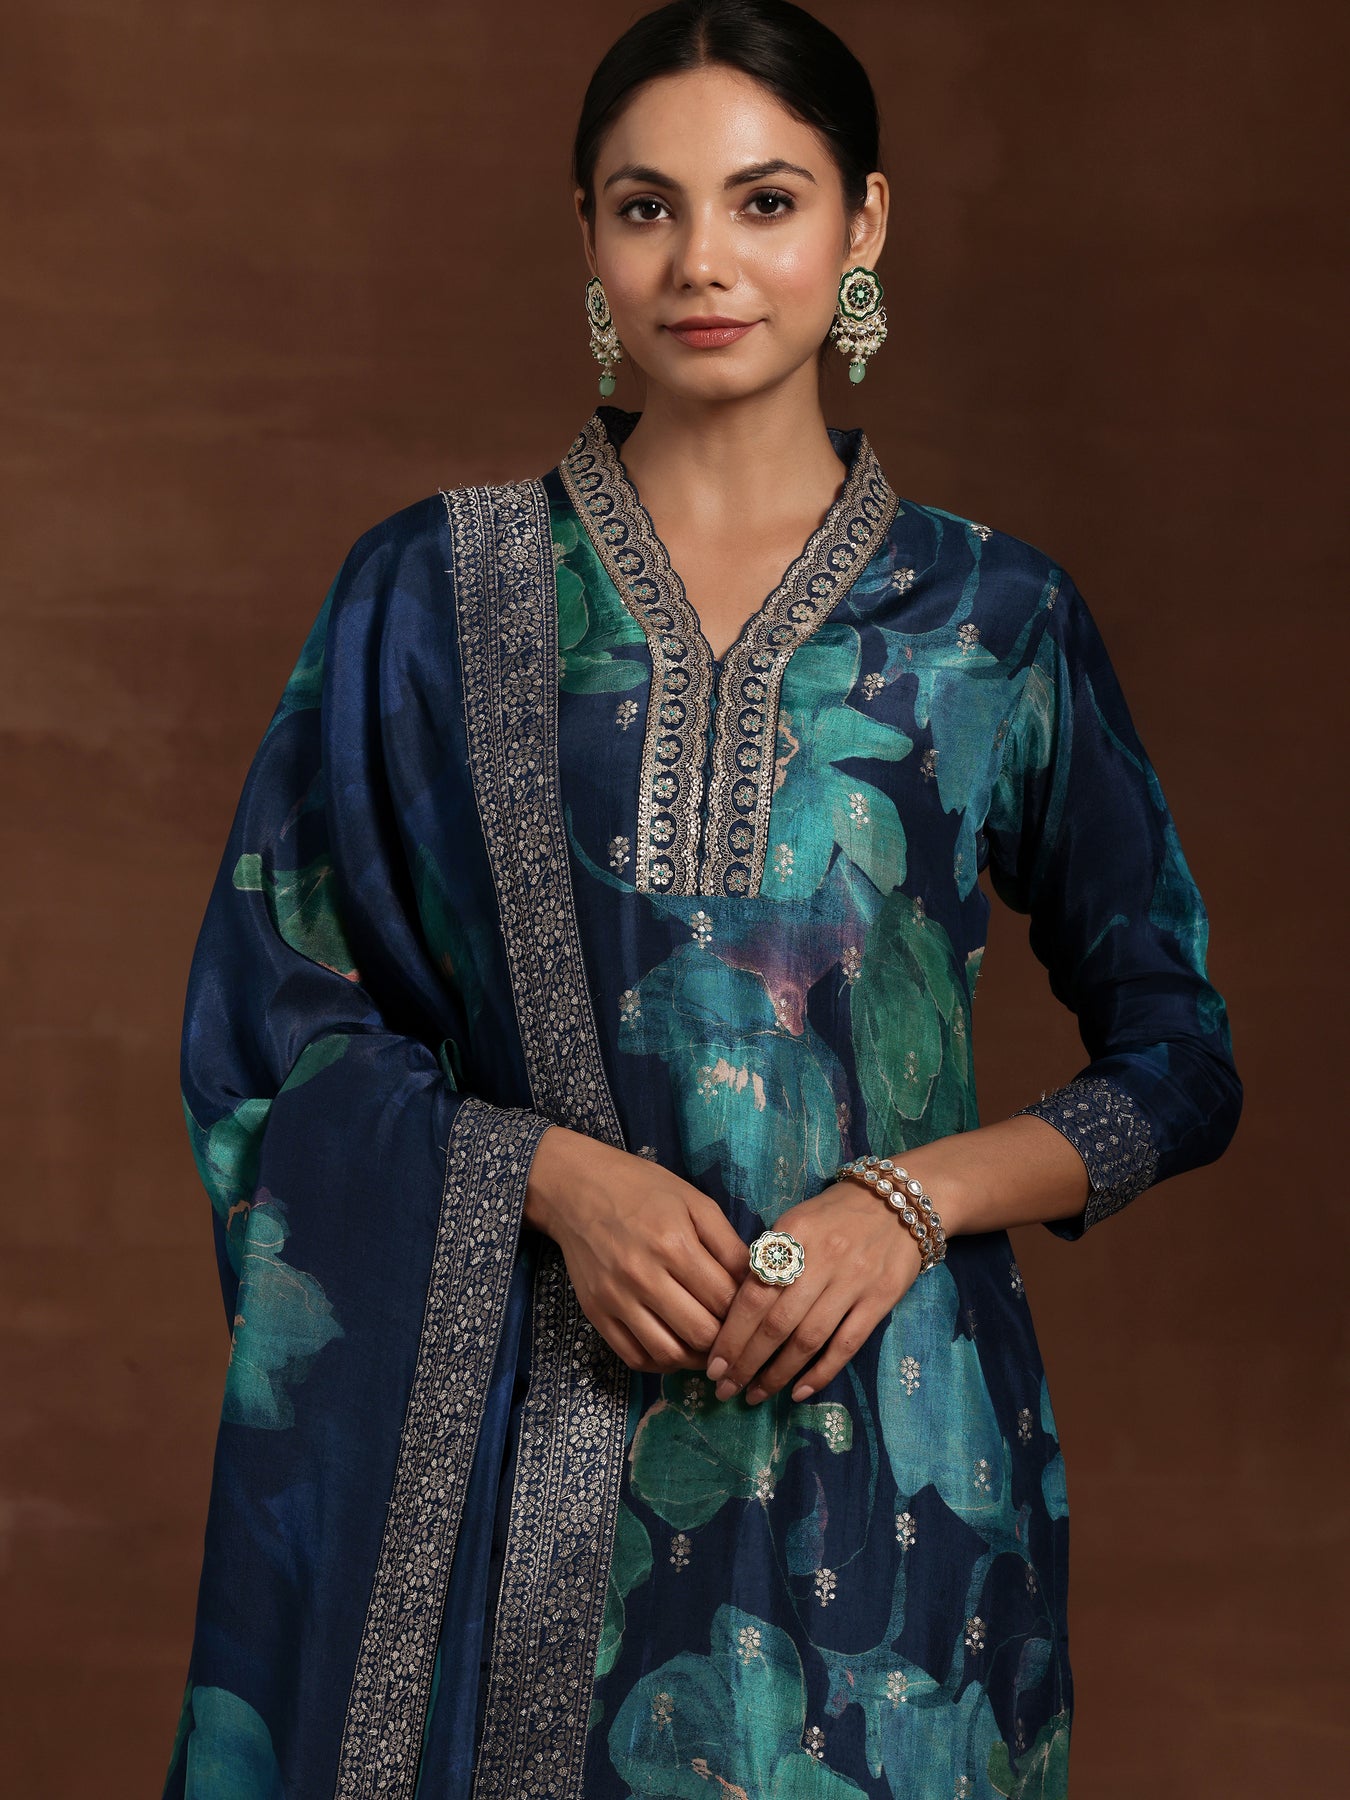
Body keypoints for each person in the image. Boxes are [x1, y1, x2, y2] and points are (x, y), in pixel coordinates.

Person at [161, 3, 1242, 1796]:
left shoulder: (993, 620)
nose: (702, 263)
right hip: (517, 1477)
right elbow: (265, 1023)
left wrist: (905, 1203)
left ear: (862, 223)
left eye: (764, 200)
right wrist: (543, 1177)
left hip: (900, 1482)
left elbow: (1179, 1062)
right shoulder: (429, 593)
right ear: (587, 236)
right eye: (646, 206)